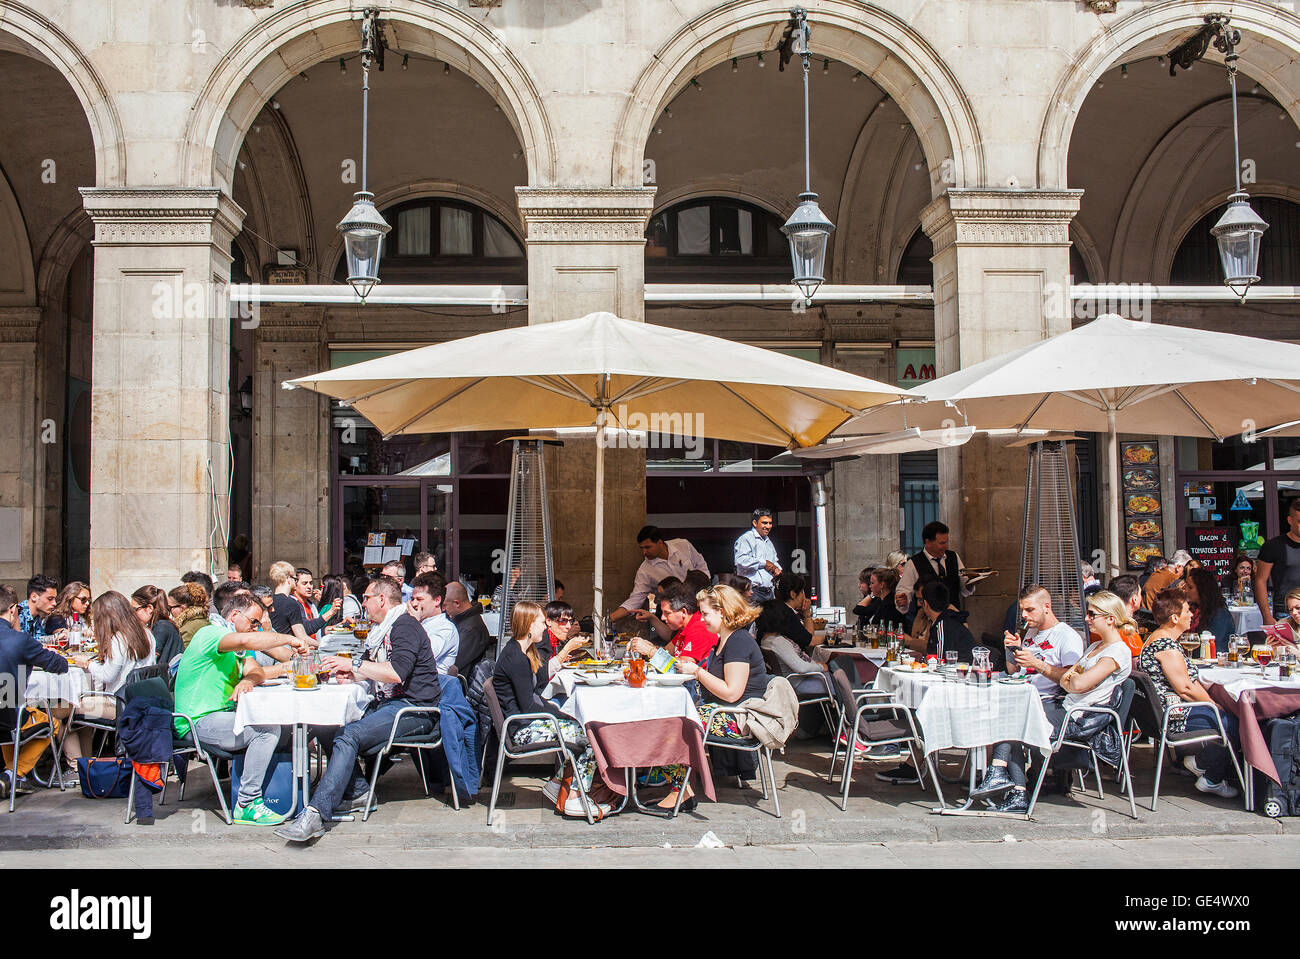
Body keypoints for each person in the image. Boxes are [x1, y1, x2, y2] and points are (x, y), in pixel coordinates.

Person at [275, 576, 445, 841]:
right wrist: (353, 675)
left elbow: (397, 673)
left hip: (415, 710)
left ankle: (316, 813)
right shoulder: (384, 628)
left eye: (366, 597)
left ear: (381, 599)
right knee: (325, 723)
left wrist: (354, 668)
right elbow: (374, 668)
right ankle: (358, 791)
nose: (362, 602)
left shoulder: (404, 627)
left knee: (349, 735)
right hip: (390, 704)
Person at [970, 590, 1133, 813]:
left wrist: (1055, 672)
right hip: (1066, 706)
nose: (1086, 618)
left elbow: (1075, 684)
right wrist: (1068, 678)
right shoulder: (1096, 647)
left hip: (1080, 717)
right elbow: (1070, 678)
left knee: (1013, 718)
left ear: (1110, 619)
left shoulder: (1117, 652)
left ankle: (1007, 781)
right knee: (1012, 715)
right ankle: (1012, 786)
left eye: (1092, 614)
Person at [173, 589, 306, 825]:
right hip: (197, 721)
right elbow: (248, 640)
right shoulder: (211, 634)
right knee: (267, 730)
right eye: (253, 622)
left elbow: (255, 669)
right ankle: (247, 802)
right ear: (235, 614)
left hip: (222, 715)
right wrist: (290, 639)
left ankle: (285, 793)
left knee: (283, 725)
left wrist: (247, 680)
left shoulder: (233, 645)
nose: (256, 628)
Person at [668, 585, 769, 811]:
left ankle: (680, 790)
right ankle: (680, 786)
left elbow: (732, 692)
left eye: (705, 614)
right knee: (673, 716)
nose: (701, 620)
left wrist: (696, 672)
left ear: (723, 611)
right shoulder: (726, 640)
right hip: (726, 713)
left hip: (739, 720)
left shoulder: (738, 642)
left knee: (672, 722)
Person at [1137, 587, 1241, 799]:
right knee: (1235, 723)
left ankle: (1203, 764)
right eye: (1187, 611)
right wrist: (1214, 704)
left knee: (1227, 716)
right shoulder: (1166, 646)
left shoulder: (1160, 640)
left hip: (1170, 711)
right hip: (1175, 716)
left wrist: (1211, 703)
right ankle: (1210, 774)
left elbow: (1190, 683)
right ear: (1175, 618)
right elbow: (1184, 687)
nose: (1191, 614)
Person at [65, 590, 158, 765]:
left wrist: (87, 664)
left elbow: (107, 676)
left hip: (120, 704)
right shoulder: (146, 634)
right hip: (140, 701)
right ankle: (87, 762)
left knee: (66, 707)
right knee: (83, 711)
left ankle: (76, 765)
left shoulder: (119, 639)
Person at [0, 583, 70, 797]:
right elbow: (60, 665)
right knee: (51, 723)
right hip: (10, 715)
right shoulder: (20, 640)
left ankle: (14, 776)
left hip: (6, 713)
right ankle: (12, 774)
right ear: (13, 609)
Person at [610, 526, 709, 624]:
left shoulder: (683, 545)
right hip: (673, 616)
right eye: (642, 548)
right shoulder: (645, 570)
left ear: (660, 542)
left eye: (647, 547)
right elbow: (635, 599)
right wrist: (610, 618)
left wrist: (703, 589)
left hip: (700, 603)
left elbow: (700, 564)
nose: (644, 552)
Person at [1001, 585, 1085, 698]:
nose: (1024, 615)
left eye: (1030, 610)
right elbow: (1013, 671)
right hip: (1017, 693)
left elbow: (1071, 678)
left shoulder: (1067, 635)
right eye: (1022, 610)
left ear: (1046, 607)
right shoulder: (1031, 631)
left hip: (1043, 701)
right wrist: (1012, 649)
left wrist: (1036, 663)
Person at [895, 521, 977, 615]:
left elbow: (964, 590)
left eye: (947, 542)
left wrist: (971, 584)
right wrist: (902, 601)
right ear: (928, 542)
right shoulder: (913, 563)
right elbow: (904, 590)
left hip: (954, 617)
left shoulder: (953, 557)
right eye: (942, 543)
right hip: (928, 621)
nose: (946, 546)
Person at [628, 583, 718, 665]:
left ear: (683, 612)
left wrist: (650, 651)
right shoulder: (684, 627)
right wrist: (648, 647)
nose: (662, 617)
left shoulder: (699, 629)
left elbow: (683, 669)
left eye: (667, 613)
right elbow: (667, 651)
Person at [752, 599, 829, 695]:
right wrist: (821, 667)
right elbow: (801, 668)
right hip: (799, 681)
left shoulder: (765, 639)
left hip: (794, 680)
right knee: (840, 670)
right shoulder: (777, 642)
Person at [1256, 500, 1300, 628]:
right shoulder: (1273, 546)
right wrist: (1266, 615)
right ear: (1290, 520)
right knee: (1284, 648)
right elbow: (1260, 581)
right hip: (1286, 612)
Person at [268, 561, 334, 644]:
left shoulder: (269, 601)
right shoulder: (291, 603)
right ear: (288, 579)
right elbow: (302, 636)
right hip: (288, 650)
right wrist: (321, 647)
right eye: (295, 579)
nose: (295, 582)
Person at [408, 571, 458, 673]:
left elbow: (423, 656)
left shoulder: (446, 628)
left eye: (419, 599)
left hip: (429, 685)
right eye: (412, 599)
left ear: (437, 600)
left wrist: (414, 624)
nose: (414, 604)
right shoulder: (418, 622)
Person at [916, 580, 976, 663]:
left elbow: (939, 662)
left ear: (925, 603)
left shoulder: (942, 625)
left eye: (920, 600)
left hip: (960, 672)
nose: (918, 604)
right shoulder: (949, 620)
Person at [734, 507, 782, 602]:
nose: (768, 526)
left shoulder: (768, 541)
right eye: (764, 523)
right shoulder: (746, 538)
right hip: (752, 591)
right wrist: (764, 563)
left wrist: (777, 569)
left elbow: (774, 561)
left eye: (770, 523)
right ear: (755, 523)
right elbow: (740, 561)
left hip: (769, 591)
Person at [445, 581, 493, 675]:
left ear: (457, 603)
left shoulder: (471, 629)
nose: (442, 609)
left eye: (444, 605)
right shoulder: (465, 621)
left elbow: (453, 665)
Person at [131, 585, 184, 669]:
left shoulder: (161, 627)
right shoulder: (164, 625)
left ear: (149, 608)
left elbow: (149, 662)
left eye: (135, 609)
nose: (132, 614)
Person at [1184, 566, 1233, 645]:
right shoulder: (1193, 610)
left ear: (1202, 590)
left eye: (1190, 587)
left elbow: (1213, 644)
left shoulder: (1219, 614)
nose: (1185, 590)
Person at [538, 601, 586, 678]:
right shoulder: (541, 640)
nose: (569, 626)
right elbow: (542, 675)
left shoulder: (552, 639)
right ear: (548, 621)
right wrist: (567, 649)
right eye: (562, 621)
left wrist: (561, 658)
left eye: (570, 621)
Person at [774, 572, 819, 651]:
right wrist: (830, 637)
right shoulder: (787, 615)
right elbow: (809, 641)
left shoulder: (777, 610)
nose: (803, 596)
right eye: (802, 592)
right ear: (793, 594)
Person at [169, 583, 211, 648]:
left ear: (182, 608)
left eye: (170, 607)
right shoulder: (204, 621)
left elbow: (182, 656)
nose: (170, 611)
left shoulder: (186, 630)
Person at [17, 574, 58, 642]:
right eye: (50, 599)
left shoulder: (36, 617)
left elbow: (40, 639)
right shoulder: (17, 614)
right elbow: (22, 644)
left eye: (54, 599)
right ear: (34, 597)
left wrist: (57, 637)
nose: (54, 603)